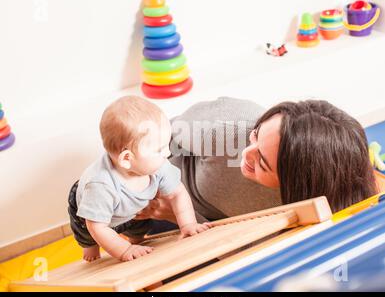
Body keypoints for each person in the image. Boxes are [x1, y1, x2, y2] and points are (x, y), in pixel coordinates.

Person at [135, 97, 378, 226]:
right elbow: (157, 136)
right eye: (256, 135)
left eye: (262, 163)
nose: (244, 154)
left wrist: (177, 215)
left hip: (202, 227)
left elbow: (239, 253)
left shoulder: (317, 207)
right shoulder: (223, 130)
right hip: (162, 198)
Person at [68, 96, 209, 262]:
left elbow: (177, 193)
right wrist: (125, 250)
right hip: (89, 212)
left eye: (166, 146)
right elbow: (96, 226)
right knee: (88, 236)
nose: (167, 154)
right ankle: (90, 248)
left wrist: (188, 225)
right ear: (127, 159)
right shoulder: (100, 185)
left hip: (132, 210)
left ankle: (135, 240)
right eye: (159, 150)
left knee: (139, 228)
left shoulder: (159, 165)